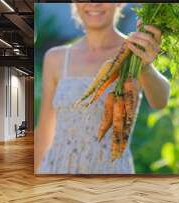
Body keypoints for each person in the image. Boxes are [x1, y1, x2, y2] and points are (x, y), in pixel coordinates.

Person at [35, 3, 170, 174]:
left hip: (111, 173)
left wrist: (147, 68)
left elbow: (161, 101)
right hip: (57, 170)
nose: (94, 3)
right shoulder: (56, 58)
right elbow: (44, 130)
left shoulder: (135, 53)